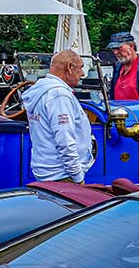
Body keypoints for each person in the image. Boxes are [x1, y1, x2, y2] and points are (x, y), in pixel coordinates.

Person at [23, 50, 95, 183]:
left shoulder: (41, 90)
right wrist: (78, 177)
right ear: (70, 67)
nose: (83, 73)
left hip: (46, 170)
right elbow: (65, 141)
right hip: (61, 175)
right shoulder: (59, 95)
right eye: (80, 68)